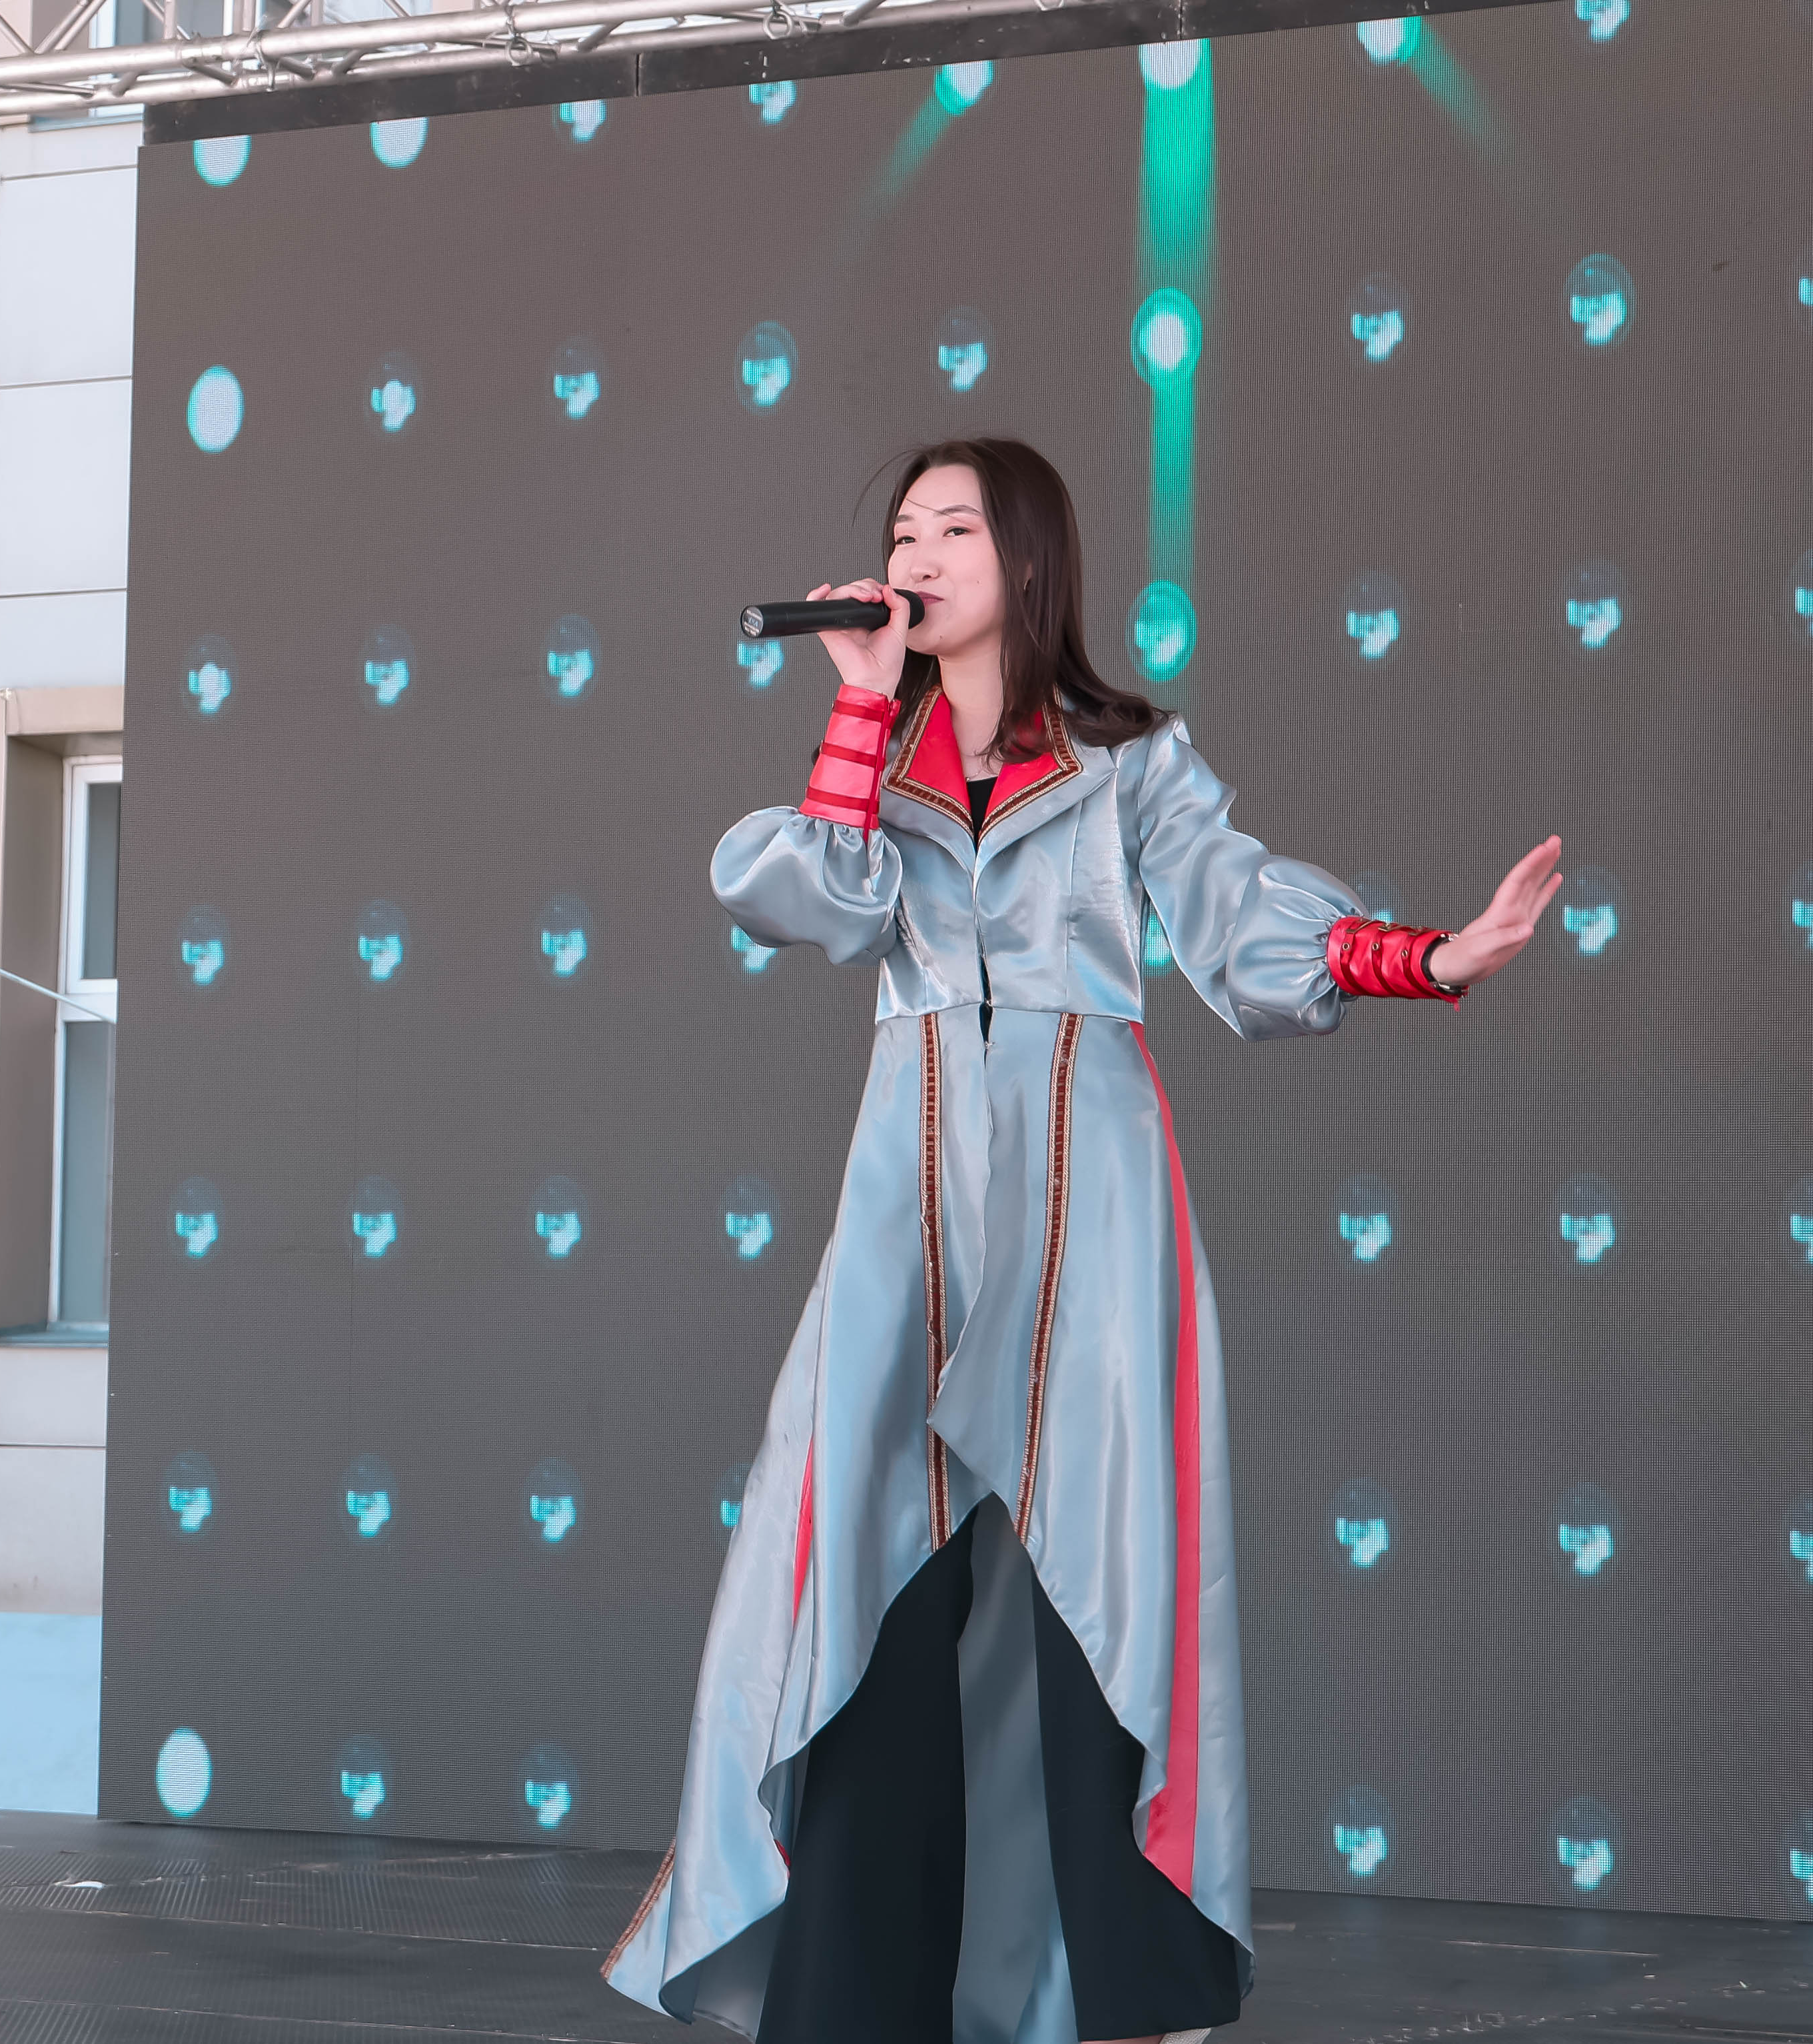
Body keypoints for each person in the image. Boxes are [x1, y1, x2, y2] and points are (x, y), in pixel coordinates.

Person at [604, 441, 1562, 2044]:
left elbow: (1238, 916)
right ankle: (854, 2001)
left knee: (1098, 1602)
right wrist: (859, 705)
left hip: (1089, 1212)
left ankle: (1116, 2000)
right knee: (863, 1599)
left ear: (1029, 560)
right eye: (901, 532)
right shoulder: (879, 762)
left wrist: (1427, 956)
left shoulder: (1131, 766)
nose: (915, 555)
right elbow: (811, 901)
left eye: (952, 528)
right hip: (907, 1219)